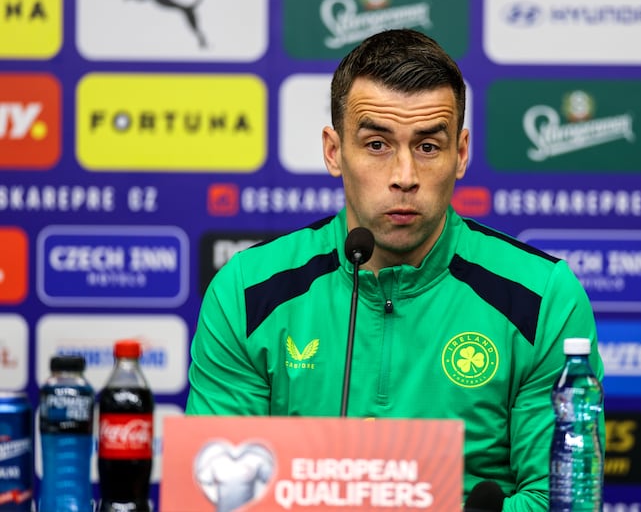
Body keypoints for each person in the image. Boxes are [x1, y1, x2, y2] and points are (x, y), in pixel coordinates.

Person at [185, 28, 604, 510]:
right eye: (377, 145)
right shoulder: (247, 291)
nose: (404, 177)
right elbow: (216, 493)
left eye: (427, 147)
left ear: (460, 154)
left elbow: (563, 500)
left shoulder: (542, 297)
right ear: (333, 151)